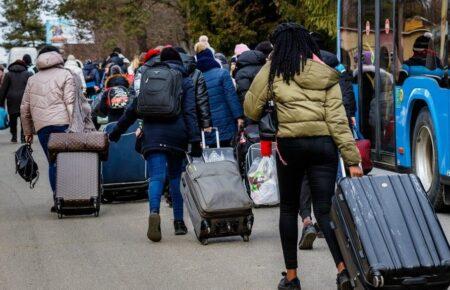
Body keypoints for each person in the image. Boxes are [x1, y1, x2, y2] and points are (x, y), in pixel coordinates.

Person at [244, 23, 362, 290]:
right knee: (324, 209)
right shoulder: (326, 74)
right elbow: (337, 120)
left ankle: (292, 277)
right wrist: (352, 160)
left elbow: (251, 109)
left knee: (288, 208)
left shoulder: (274, 71)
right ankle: (343, 271)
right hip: (324, 146)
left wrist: (269, 68)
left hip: (290, 146)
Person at [109, 47, 200, 242]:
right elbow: (190, 112)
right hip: (177, 134)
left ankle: (154, 212)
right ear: (180, 61)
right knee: (175, 178)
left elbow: (133, 108)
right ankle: (178, 223)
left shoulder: (150, 78)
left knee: (156, 177)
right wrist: (195, 140)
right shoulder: (184, 80)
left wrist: (116, 131)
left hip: (152, 134)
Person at [296, 32, 358, 251]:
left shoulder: (302, 65)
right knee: (327, 175)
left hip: (306, 129)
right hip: (332, 126)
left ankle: (306, 220)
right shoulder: (336, 65)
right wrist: (350, 113)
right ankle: (328, 221)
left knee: (305, 176)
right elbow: (346, 92)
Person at [20, 46, 77, 207]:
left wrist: (28, 132)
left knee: (53, 162)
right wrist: (74, 125)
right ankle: (72, 196)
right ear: (57, 57)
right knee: (66, 161)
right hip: (63, 124)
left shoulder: (32, 79)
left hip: (43, 127)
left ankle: (57, 199)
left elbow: (24, 108)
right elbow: (70, 102)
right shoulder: (66, 74)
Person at [196, 44, 244, 146]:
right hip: (226, 122)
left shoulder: (196, 78)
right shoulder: (223, 73)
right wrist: (239, 117)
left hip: (208, 126)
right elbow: (231, 97)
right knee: (229, 155)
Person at [175, 47, 212, 133]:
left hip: (172, 119)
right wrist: (206, 123)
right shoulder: (196, 72)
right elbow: (202, 99)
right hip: (193, 119)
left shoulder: (167, 70)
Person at [0, 59, 33, 143]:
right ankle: (23, 137)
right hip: (24, 98)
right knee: (24, 118)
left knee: (12, 118)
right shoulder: (28, 74)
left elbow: (4, 89)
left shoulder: (8, 74)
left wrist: (1, 102)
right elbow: (32, 88)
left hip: (11, 99)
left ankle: (14, 136)